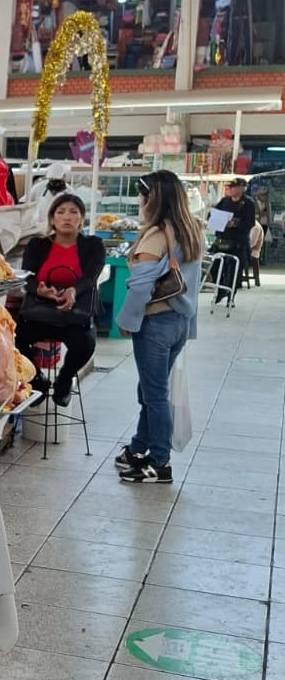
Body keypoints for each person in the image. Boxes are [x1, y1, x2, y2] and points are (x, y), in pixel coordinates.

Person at [114, 170, 203, 484]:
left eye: (143, 195)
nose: (140, 202)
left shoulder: (156, 234)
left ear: (152, 198)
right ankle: (139, 447)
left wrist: (126, 320)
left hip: (157, 323)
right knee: (152, 390)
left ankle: (159, 462)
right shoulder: (191, 230)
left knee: (154, 395)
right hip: (180, 321)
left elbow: (140, 287)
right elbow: (192, 283)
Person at [16, 193, 105, 406]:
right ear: (52, 219)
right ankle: (36, 379)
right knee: (14, 339)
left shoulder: (94, 245)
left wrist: (73, 290)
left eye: (73, 212)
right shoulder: (37, 244)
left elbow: (91, 276)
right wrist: (40, 289)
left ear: (81, 219)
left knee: (86, 343)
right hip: (39, 313)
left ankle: (65, 378)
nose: (67, 217)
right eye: (61, 212)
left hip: (76, 314)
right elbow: (26, 277)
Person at [215, 176, 257, 286]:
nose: (231, 190)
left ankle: (231, 293)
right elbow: (213, 213)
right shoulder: (225, 201)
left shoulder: (248, 203)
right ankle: (220, 288)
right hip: (222, 241)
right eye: (230, 187)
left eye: (233, 187)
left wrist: (235, 223)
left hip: (238, 242)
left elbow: (250, 223)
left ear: (242, 189)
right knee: (215, 266)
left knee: (235, 271)